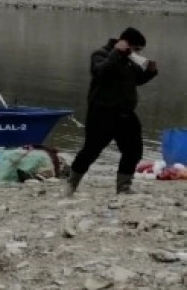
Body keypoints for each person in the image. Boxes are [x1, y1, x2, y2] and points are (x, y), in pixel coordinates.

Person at [66, 27, 158, 196]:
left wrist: (151, 72)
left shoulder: (130, 61)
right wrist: (116, 53)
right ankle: (72, 183)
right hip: (101, 114)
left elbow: (136, 80)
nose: (137, 53)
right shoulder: (101, 54)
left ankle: (123, 187)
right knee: (91, 150)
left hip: (125, 114)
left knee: (133, 151)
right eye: (136, 49)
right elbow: (100, 71)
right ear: (126, 44)